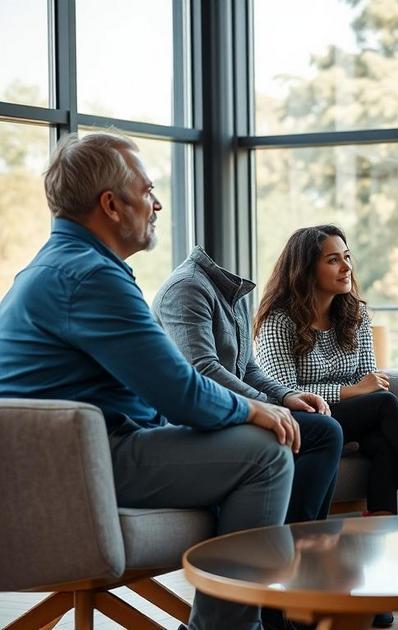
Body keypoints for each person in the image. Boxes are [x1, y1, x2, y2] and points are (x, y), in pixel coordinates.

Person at [0, 132, 301, 630]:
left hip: (57, 466)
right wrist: (255, 409)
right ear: (112, 205)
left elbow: (154, 392)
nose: (157, 203)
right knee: (265, 453)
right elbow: (181, 393)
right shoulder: (92, 278)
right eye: (147, 190)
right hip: (82, 468)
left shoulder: (47, 269)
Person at [153, 246, 343, 523]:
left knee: (323, 424)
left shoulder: (234, 295)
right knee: (323, 432)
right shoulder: (186, 290)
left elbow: (248, 368)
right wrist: (265, 407)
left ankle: (308, 539)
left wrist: (288, 396)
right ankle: (297, 540)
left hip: (234, 411)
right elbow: (203, 370)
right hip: (201, 420)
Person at [253, 225, 398, 516]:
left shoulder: (355, 315)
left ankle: (379, 526)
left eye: (346, 257)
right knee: (385, 406)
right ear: (306, 269)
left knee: (386, 439)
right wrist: (352, 390)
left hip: (350, 417)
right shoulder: (278, 320)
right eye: (333, 260)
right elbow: (284, 391)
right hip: (302, 420)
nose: (346, 267)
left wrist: (360, 390)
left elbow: (372, 381)